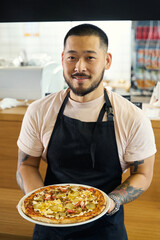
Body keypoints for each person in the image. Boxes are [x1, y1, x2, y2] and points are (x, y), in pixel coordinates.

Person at [16, 24, 156, 240]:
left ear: (107, 61)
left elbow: (143, 174)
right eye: (72, 57)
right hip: (49, 228)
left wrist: (112, 201)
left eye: (90, 57)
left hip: (106, 227)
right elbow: (26, 165)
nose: (79, 67)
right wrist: (43, 204)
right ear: (62, 58)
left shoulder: (132, 118)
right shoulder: (39, 111)